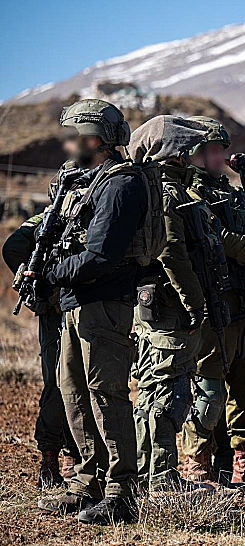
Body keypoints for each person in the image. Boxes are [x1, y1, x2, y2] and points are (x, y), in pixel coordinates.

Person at [34, 99, 147, 524]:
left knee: (105, 394)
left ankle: (121, 492)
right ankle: (87, 482)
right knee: (72, 392)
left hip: (104, 303)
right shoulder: (88, 182)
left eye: (75, 135)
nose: (68, 144)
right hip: (76, 302)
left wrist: (51, 276)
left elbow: (101, 254)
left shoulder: (121, 185)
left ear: (95, 137)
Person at [179, 116, 245, 492]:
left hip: (240, 305)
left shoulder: (226, 190)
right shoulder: (191, 194)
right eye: (213, 150)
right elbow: (221, 239)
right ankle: (198, 465)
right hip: (212, 307)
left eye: (223, 149)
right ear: (196, 154)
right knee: (208, 386)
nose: (221, 156)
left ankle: (243, 463)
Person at [127, 115, 214, 493]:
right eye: (188, 151)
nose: (193, 157)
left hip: (155, 304)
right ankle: (161, 480)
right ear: (174, 155)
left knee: (152, 390)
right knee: (166, 393)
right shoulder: (167, 193)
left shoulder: (151, 188)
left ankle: (148, 474)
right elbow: (172, 252)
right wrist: (196, 304)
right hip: (168, 307)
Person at [3, 166, 81, 490]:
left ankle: (72, 459)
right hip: (59, 311)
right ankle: (56, 459)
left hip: (75, 308)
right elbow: (13, 248)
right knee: (62, 385)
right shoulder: (49, 221)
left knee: (69, 384)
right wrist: (43, 287)